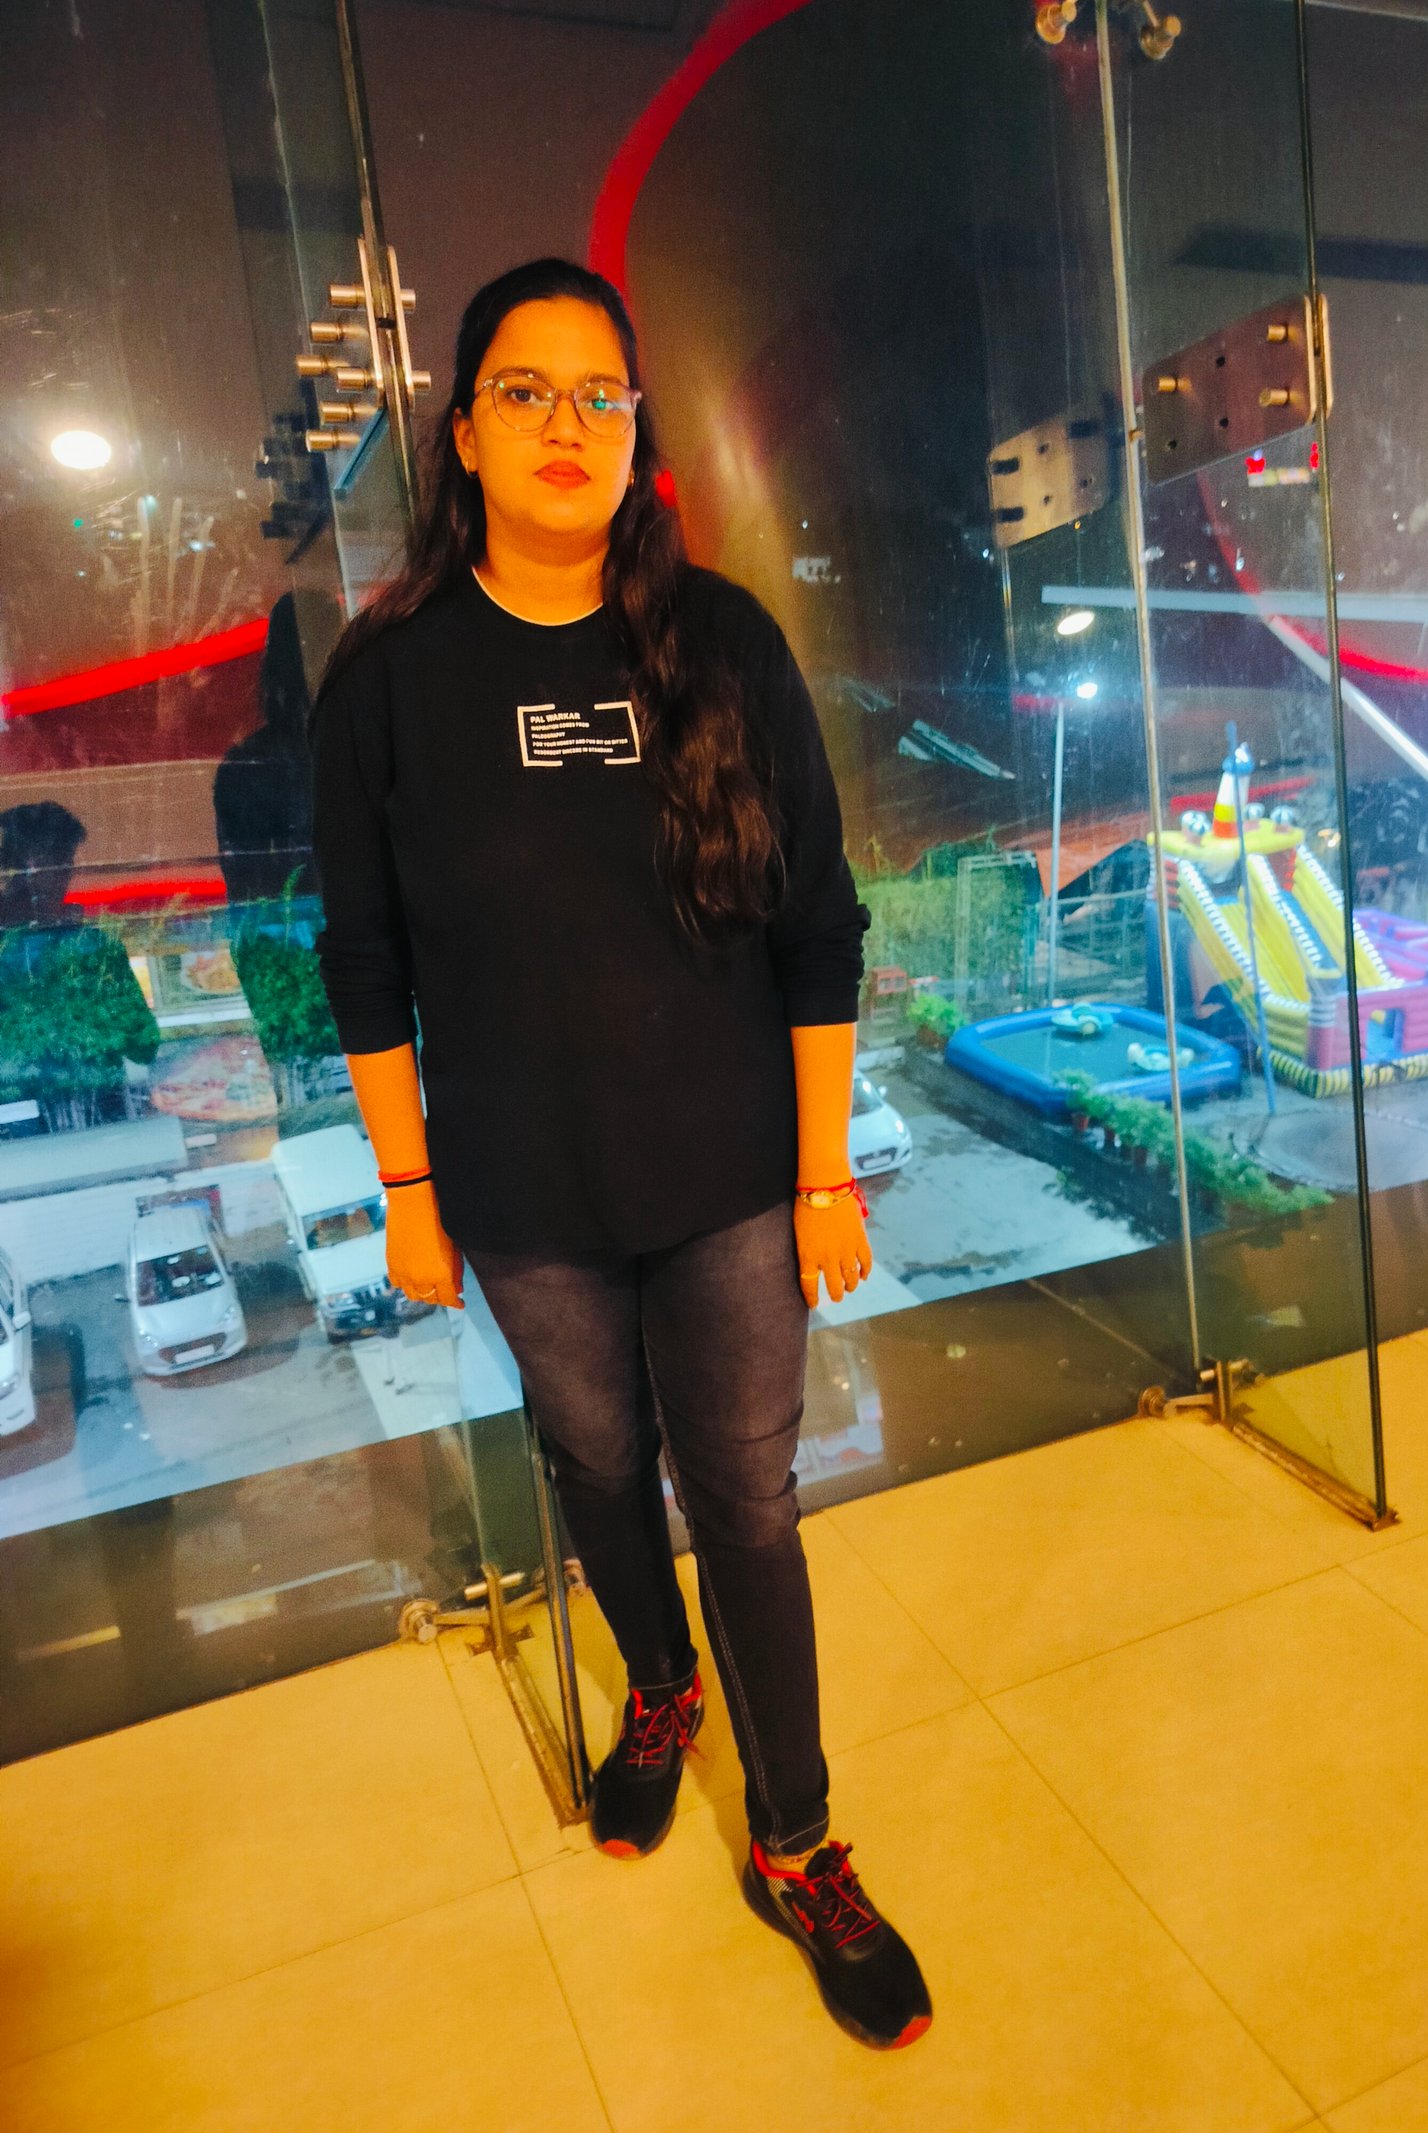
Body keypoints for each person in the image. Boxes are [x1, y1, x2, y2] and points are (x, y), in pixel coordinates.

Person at [308, 257, 931, 2051]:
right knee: (594, 1459)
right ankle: (660, 1687)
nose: (568, 424)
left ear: (635, 427)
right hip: (521, 1195)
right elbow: (365, 960)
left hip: (730, 1179)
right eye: (529, 390)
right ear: (466, 430)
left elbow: (819, 927)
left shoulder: (722, 643)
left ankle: (796, 1838)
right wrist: (405, 1192)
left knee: (749, 1499)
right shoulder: (389, 680)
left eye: (602, 393)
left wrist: (823, 1172)